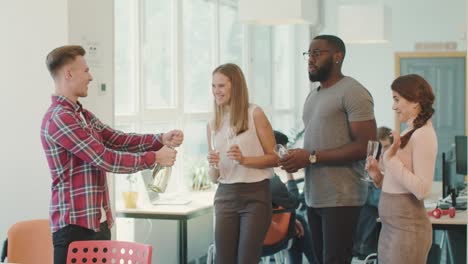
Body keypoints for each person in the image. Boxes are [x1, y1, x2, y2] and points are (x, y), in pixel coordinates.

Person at [41, 45, 184, 264]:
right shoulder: (59, 118)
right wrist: (154, 158)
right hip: (73, 228)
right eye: (86, 70)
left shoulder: (82, 115)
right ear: (69, 74)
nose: (91, 76)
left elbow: (117, 139)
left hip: (96, 222)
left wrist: (160, 139)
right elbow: (104, 158)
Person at [279, 35, 377, 264]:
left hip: (342, 197)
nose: (310, 59)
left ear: (337, 57)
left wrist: (311, 157)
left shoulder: (353, 92)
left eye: (317, 53)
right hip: (315, 196)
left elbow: (367, 146)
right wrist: (295, 158)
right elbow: (318, 142)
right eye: (308, 54)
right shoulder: (313, 95)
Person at [206, 63, 277, 264]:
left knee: (247, 259)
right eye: (213, 86)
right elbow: (214, 178)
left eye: (221, 86)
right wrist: (212, 165)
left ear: (235, 86)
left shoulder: (255, 114)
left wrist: (244, 160)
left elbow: (275, 157)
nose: (216, 91)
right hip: (225, 196)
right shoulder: (212, 123)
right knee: (223, 260)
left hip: (255, 196)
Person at [366, 74, 437, 263]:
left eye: (397, 99)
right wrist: (379, 177)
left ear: (415, 102)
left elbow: (421, 189)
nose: (393, 106)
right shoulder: (409, 131)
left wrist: (389, 159)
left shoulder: (423, 135)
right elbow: (399, 183)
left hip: (407, 231)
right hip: (392, 229)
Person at [270, 130, 315, 264]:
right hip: (266, 237)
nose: (286, 154)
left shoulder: (258, 174)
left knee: (294, 221)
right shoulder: (270, 179)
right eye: (284, 151)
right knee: (297, 220)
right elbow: (294, 202)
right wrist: (289, 174)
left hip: (256, 232)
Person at [353, 126, 392, 259]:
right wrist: (379, 173)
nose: (383, 152)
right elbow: (378, 202)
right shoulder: (366, 169)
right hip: (369, 237)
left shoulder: (393, 166)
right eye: (380, 147)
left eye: (386, 147)